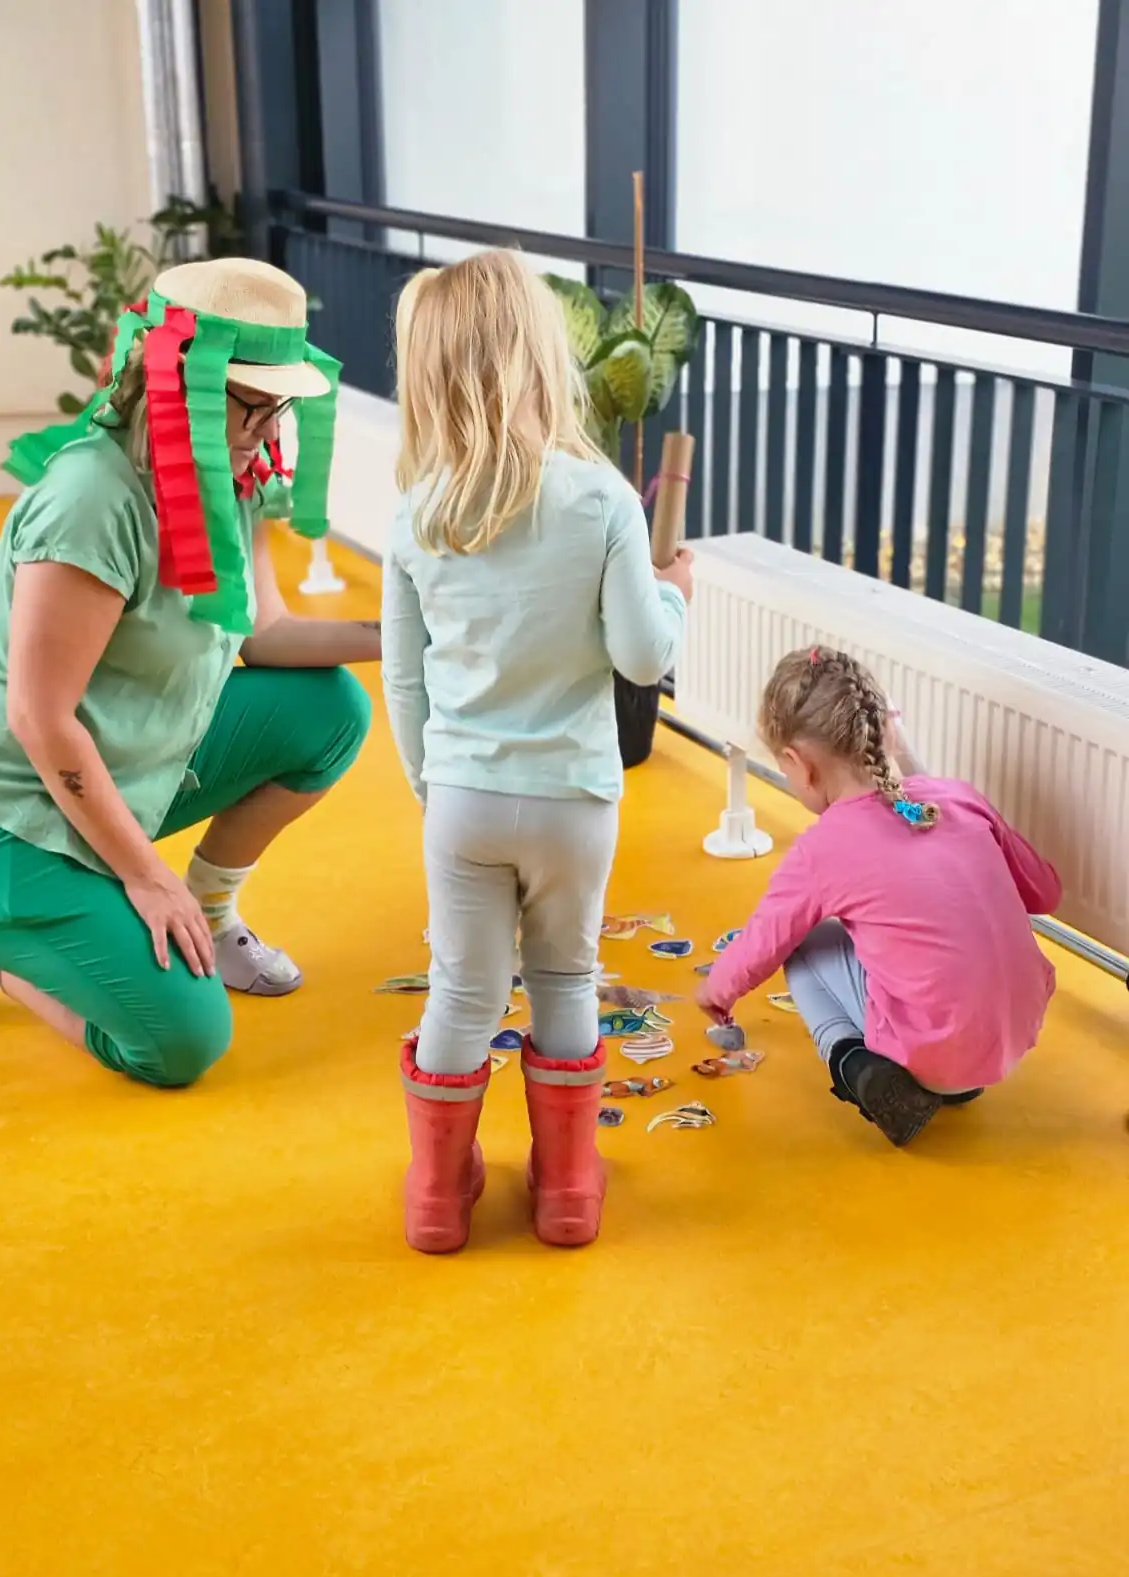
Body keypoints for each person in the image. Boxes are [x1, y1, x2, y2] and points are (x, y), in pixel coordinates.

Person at [0, 258, 377, 1086]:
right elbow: (38, 717)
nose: (267, 429)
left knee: (329, 710)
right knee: (180, 1043)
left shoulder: (230, 475)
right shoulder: (93, 498)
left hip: (125, 766)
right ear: (177, 381)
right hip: (3, 808)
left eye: (279, 406)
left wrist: (411, 632)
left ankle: (211, 912)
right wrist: (146, 876)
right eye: (251, 403)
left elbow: (269, 635)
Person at [382, 250, 691, 1253]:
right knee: (564, 977)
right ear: (540, 356)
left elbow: (405, 682)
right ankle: (566, 1189)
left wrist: (433, 785)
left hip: (463, 798)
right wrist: (674, 594)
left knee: (463, 991)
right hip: (573, 802)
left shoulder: (417, 513)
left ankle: (437, 1195)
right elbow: (641, 656)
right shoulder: (600, 498)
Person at [696, 646, 1061, 1147]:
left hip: (934, 1048)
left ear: (798, 764)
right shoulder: (957, 797)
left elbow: (763, 941)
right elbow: (1045, 893)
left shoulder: (825, 848)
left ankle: (854, 1063)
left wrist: (715, 994)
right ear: (884, 733)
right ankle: (956, 1081)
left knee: (801, 942)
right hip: (1014, 1034)